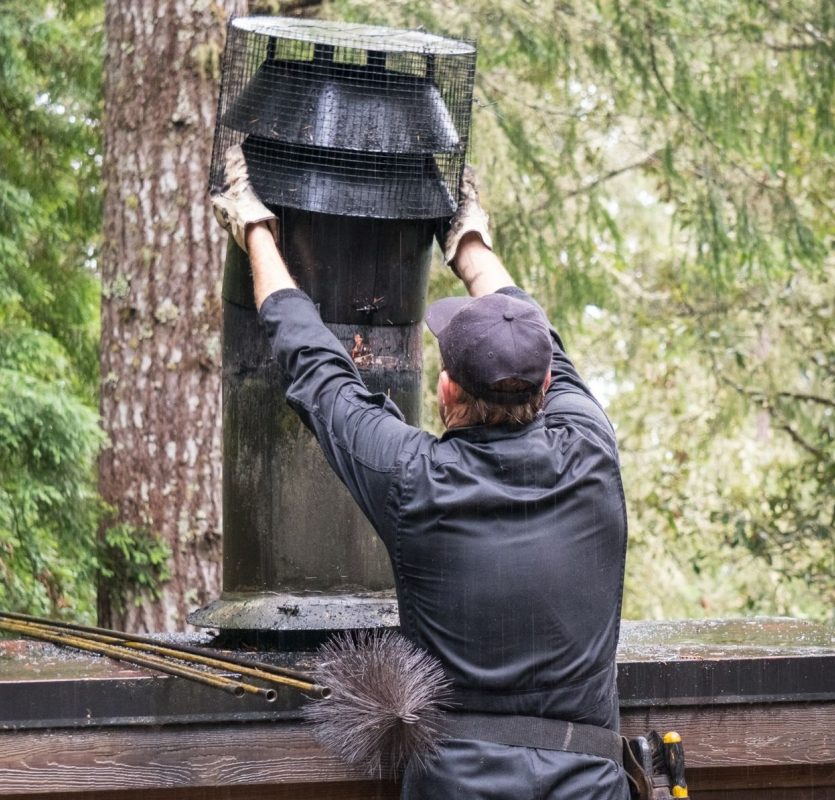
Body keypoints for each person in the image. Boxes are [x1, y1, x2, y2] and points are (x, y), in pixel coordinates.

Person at [211, 149, 631, 800]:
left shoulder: (413, 480)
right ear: (548, 384)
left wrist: (254, 228)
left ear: (445, 392)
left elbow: (315, 365)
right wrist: (467, 240)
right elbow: (538, 329)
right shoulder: (592, 450)